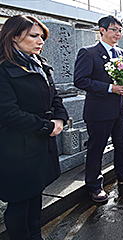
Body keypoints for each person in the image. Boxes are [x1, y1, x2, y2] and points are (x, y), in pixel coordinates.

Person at [0, 15, 68, 240]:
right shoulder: (4, 69)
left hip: (40, 143)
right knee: (19, 201)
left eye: (42, 36)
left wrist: (60, 119)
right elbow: (8, 113)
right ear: (14, 36)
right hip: (16, 146)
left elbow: (54, 96)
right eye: (34, 36)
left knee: (36, 195)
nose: (41, 41)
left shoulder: (39, 64)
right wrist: (46, 126)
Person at [74, 15, 123, 203]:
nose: (118, 34)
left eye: (120, 30)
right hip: (99, 110)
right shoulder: (88, 53)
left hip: (119, 109)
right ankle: (94, 186)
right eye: (114, 30)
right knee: (97, 148)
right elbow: (80, 80)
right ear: (102, 30)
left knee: (122, 145)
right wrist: (109, 88)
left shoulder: (121, 53)